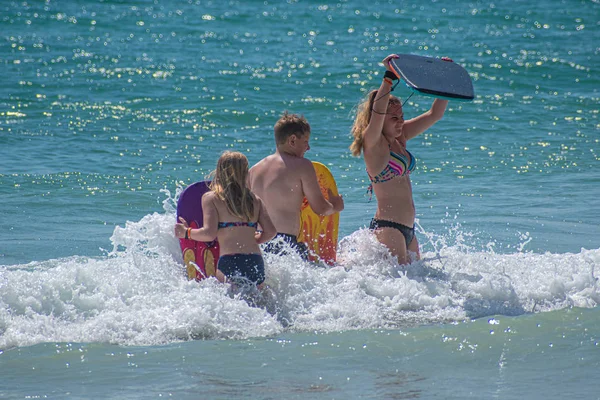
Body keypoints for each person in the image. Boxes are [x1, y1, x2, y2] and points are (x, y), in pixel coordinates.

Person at [349, 54, 450, 265]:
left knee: (416, 287)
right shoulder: (373, 145)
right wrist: (388, 78)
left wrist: (445, 78)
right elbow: (377, 112)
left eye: (402, 117)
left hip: (408, 230)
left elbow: (435, 114)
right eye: (394, 118)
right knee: (404, 284)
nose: (400, 122)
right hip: (388, 228)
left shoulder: (400, 137)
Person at [248, 111, 344, 260]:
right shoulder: (302, 166)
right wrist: (335, 206)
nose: (308, 148)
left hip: (258, 245)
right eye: (305, 142)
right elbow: (320, 208)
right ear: (292, 140)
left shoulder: (253, 170)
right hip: (285, 244)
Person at [174, 151, 276, 287]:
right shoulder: (255, 200)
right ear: (246, 173)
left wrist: (186, 232)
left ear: (220, 171)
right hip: (255, 260)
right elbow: (270, 232)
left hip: (230, 261)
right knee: (259, 305)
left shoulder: (212, 198)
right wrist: (254, 239)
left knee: (230, 305)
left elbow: (209, 234)